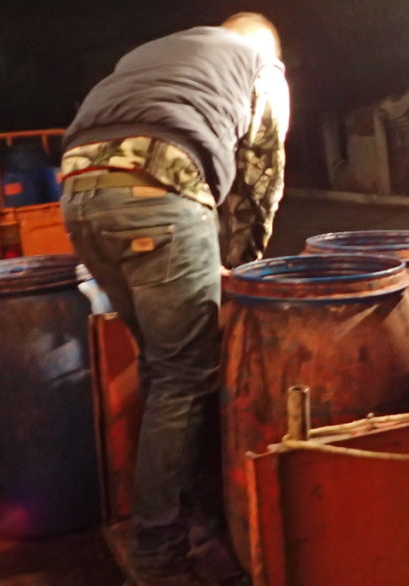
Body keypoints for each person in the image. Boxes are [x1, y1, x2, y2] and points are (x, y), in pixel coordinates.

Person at [59, 12, 289, 585]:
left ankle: (191, 508)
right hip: (160, 189)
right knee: (186, 377)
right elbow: (260, 175)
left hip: (79, 192)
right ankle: (159, 552)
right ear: (269, 49)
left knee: (163, 374)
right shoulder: (260, 64)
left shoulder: (154, 53)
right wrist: (244, 263)